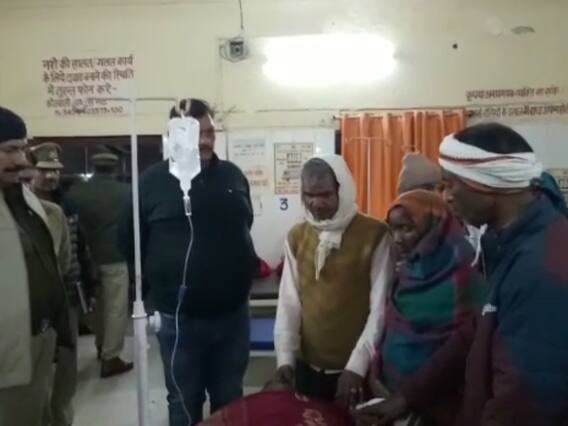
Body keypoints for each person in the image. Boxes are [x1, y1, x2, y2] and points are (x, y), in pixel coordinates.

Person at [118, 98, 258, 426]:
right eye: (197, 133)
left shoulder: (232, 176)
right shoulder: (151, 182)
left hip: (233, 315)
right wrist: (158, 287)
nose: (205, 141)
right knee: (183, 399)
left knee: (230, 397)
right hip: (178, 319)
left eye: (210, 132)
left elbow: (245, 224)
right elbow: (128, 241)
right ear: (175, 134)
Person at [438, 122, 568, 426]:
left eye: (450, 184)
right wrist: (408, 396)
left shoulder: (540, 265)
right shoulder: (504, 242)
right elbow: (479, 328)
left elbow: (523, 401)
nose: (446, 197)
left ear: (484, 184)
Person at [353, 190, 485, 426]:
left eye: (406, 228)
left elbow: (465, 348)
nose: (396, 238)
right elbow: (392, 329)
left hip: (440, 405)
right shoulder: (409, 269)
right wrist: (375, 372)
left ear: (436, 227)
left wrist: (408, 397)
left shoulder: (466, 273)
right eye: (392, 229)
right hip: (389, 393)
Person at [271, 154, 393, 409]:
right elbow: (289, 303)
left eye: (325, 194)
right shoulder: (297, 236)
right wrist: (285, 360)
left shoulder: (375, 234)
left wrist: (357, 366)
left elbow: (380, 309)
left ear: (342, 189)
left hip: (355, 372)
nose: (316, 204)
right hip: (307, 367)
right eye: (309, 195)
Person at [0, 107, 73, 426]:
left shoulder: (27, 202)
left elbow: (58, 262)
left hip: (44, 336)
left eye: (22, 149)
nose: (20, 160)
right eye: (9, 150)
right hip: (10, 349)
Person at [30, 142, 98, 426]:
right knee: (37, 373)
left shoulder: (66, 205)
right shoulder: (19, 207)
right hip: (33, 303)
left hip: (67, 296)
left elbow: (80, 249)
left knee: (66, 369)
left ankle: (61, 419)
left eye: (56, 170)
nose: (51, 176)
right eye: (44, 170)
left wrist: (89, 287)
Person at [67, 151, 132, 378]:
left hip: (88, 257)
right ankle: (111, 357)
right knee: (116, 308)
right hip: (116, 255)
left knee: (99, 305)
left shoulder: (76, 192)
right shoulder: (126, 192)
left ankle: (101, 345)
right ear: (114, 168)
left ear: (94, 167)